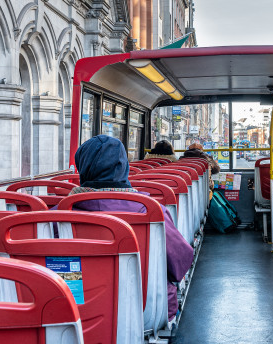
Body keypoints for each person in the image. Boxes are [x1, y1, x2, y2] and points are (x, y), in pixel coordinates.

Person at [70, 135, 193, 321]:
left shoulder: (59, 215)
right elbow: (180, 262)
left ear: (82, 167)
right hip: (150, 311)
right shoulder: (151, 211)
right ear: (123, 167)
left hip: (79, 315)